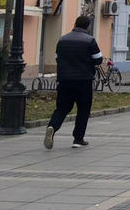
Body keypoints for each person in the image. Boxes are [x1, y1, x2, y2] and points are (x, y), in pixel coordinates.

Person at [44, 15, 103, 149]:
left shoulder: (63, 40)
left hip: (65, 80)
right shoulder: (90, 40)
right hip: (84, 80)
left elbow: (57, 58)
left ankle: (52, 127)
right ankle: (78, 139)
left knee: (62, 108)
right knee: (83, 109)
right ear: (88, 26)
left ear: (75, 24)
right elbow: (98, 59)